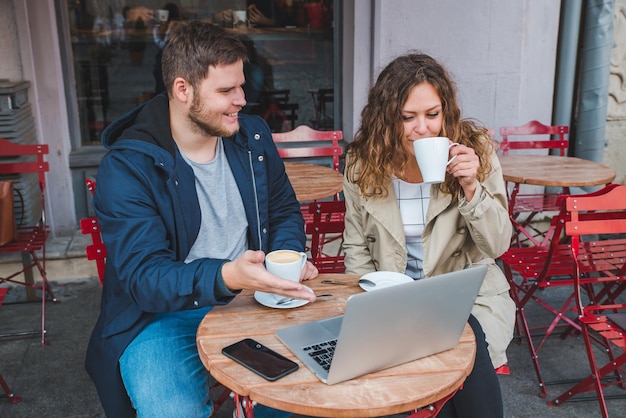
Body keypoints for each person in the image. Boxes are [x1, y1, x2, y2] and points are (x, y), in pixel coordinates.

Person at [85, 20, 318, 418]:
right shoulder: (128, 167)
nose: (241, 100)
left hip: (251, 300)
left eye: (241, 86)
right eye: (226, 90)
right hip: (160, 318)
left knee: (304, 396)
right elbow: (145, 277)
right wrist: (228, 276)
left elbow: (282, 211)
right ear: (182, 90)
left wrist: (285, 261)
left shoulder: (252, 137)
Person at [342, 52, 515, 418]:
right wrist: (366, 302)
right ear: (387, 117)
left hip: (468, 298)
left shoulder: (476, 150)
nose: (423, 128)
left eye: (432, 114)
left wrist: (472, 187)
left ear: (445, 111)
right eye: (408, 117)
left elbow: (498, 244)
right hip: (395, 299)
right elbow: (356, 245)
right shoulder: (363, 162)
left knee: (462, 336)